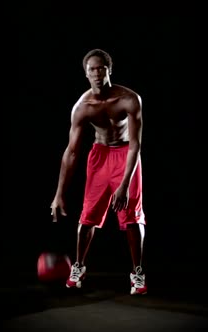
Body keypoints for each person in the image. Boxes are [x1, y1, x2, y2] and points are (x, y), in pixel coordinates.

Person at [50, 49, 147, 295]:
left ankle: (137, 272)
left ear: (109, 70)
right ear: (86, 73)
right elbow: (71, 152)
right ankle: (79, 266)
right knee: (88, 216)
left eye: (101, 68)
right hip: (100, 156)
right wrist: (59, 193)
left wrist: (124, 184)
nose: (97, 73)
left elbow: (135, 144)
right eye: (92, 69)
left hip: (126, 154)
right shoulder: (82, 107)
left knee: (132, 216)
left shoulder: (129, 99)